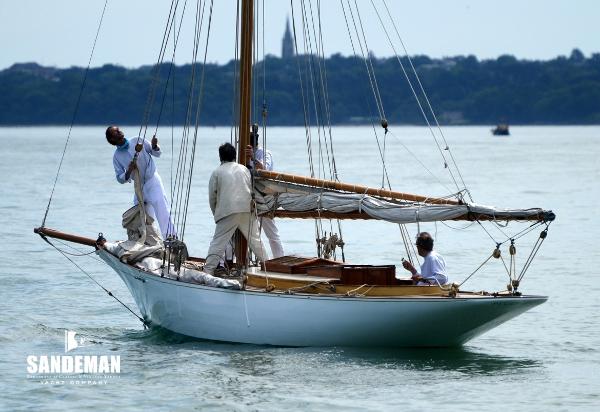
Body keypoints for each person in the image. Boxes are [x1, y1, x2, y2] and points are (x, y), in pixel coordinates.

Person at [204, 143, 268, 275]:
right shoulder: (244, 169)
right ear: (235, 156)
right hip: (246, 209)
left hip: (228, 212)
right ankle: (269, 267)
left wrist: (216, 215)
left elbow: (212, 198)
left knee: (218, 242)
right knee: (256, 242)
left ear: (220, 157)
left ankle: (208, 270)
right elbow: (250, 189)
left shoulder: (217, 172)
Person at [106, 126, 176, 239]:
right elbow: (119, 178)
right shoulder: (117, 156)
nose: (119, 132)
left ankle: (171, 238)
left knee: (161, 207)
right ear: (112, 139)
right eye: (116, 132)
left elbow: (157, 153)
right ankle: (148, 240)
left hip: (152, 180)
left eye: (119, 130)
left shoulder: (137, 140)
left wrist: (154, 145)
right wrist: (128, 170)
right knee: (140, 215)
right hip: (139, 186)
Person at [245, 130, 285, 258]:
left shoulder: (264, 153)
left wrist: (252, 157)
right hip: (248, 195)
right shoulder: (241, 155)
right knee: (247, 232)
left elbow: (264, 170)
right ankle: (242, 261)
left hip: (264, 196)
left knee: (271, 233)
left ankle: (278, 259)